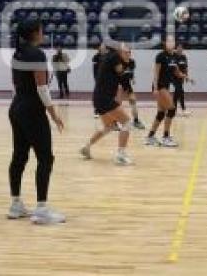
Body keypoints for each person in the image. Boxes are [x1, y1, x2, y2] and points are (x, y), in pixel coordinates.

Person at [7, 19, 66, 225]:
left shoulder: (18, 52)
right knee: (45, 158)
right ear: (35, 33)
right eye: (41, 30)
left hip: (16, 108)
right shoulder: (37, 54)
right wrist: (53, 113)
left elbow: (15, 84)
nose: (44, 33)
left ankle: (15, 205)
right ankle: (41, 209)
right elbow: (42, 88)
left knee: (19, 157)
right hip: (32, 110)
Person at [80, 42, 135, 165]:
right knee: (126, 122)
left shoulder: (115, 59)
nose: (129, 54)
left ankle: (86, 147)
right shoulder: (114, 57)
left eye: (130, 52)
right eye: (126, 52)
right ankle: (120, 155)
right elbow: (122, 77)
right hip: (104, 98)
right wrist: (130, 92)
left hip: (99, 98)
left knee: (109, 127)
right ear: (119, 51)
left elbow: (121, 77)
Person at [145, 36, 179, 147]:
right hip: (159, 86)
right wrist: (155, 88)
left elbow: (176, 71)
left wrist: (185, 76)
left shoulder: (174, 56)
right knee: (172, 109)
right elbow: (156, 73)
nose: (171, 42)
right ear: (165, 43)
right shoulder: (160, 56)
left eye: (173, 41)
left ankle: (150, 137)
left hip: (166, 86)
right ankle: (165, 137)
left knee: (161, 113)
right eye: (169, 41)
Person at [118, 46, 145, 129]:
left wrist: (133, 78)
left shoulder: (132, 62)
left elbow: (131, 72)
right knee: (117, 104)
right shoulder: (118, 63)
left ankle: (136, 121)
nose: (127, 54)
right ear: (121, 54)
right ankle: (114, 122)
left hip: (127, 85)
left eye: (129, 52)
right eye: (125, 52)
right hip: (118, 85)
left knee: (133, 101)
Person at [172, 44, 193, 117]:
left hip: (181, 77)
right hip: (174, 77)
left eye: (181, 48)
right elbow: (175, 70)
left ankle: (173, 110)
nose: (180, 49)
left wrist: (186, 76)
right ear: (176, 48)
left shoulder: (184, 57)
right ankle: (183, 109)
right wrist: (186, 77)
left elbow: (185, 67)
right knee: (180, 91)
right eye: (178, 48)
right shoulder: (173, 56)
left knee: (177, 93)